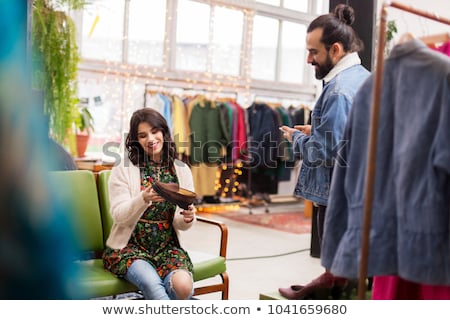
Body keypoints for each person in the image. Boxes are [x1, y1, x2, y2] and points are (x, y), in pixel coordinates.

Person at [278, 4, 370, 299]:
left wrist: (296, 139)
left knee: (336, 261)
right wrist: (314, 130)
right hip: (355, 188)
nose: (308, 59)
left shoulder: (340, 89)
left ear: (336, 50)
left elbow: (326, 152)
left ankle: (328, 289)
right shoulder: (362, 78)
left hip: (334, 193)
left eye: (313, 52)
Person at [102, 108, 196, 300]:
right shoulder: (123, 168)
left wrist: (188, 217)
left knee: (183, 287)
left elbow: (180, 222)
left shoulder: (181, 170)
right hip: (129, 247)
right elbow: (118, 215)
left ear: (163, 132)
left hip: (167, 247)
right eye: (143, 135)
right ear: (136, 140)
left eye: (155, 132)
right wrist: (142, 198)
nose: (151, 139)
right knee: (152, 285)